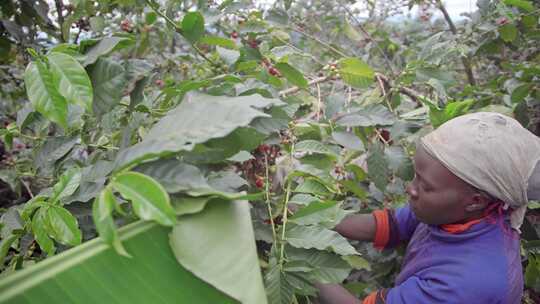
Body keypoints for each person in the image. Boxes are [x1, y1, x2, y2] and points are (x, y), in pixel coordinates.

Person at [316, 112, 540, 304]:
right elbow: (388, 225)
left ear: (475, 201)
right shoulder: (449, 211)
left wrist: (304, 267)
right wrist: (312, 218)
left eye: (425, 185)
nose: (411, 189)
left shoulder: (467, 282)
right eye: (415, 176)